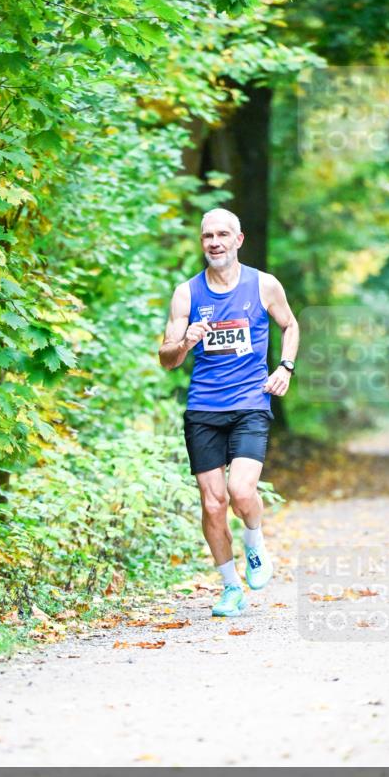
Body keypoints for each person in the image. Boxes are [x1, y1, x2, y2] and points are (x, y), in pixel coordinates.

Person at [159, 208, 299, 617]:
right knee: (212, 502)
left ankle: (254, 542)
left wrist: (285, 367)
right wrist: (184, 342)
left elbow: (290, 326)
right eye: (207, 236)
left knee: (240, 492)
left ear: (239, 240)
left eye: (222, 235)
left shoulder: (263, 285)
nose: (214, 242)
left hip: (250, 403)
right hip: (203, 407)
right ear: (201, 242)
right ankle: (230, 586)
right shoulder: (187, 293)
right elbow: (167, 358)